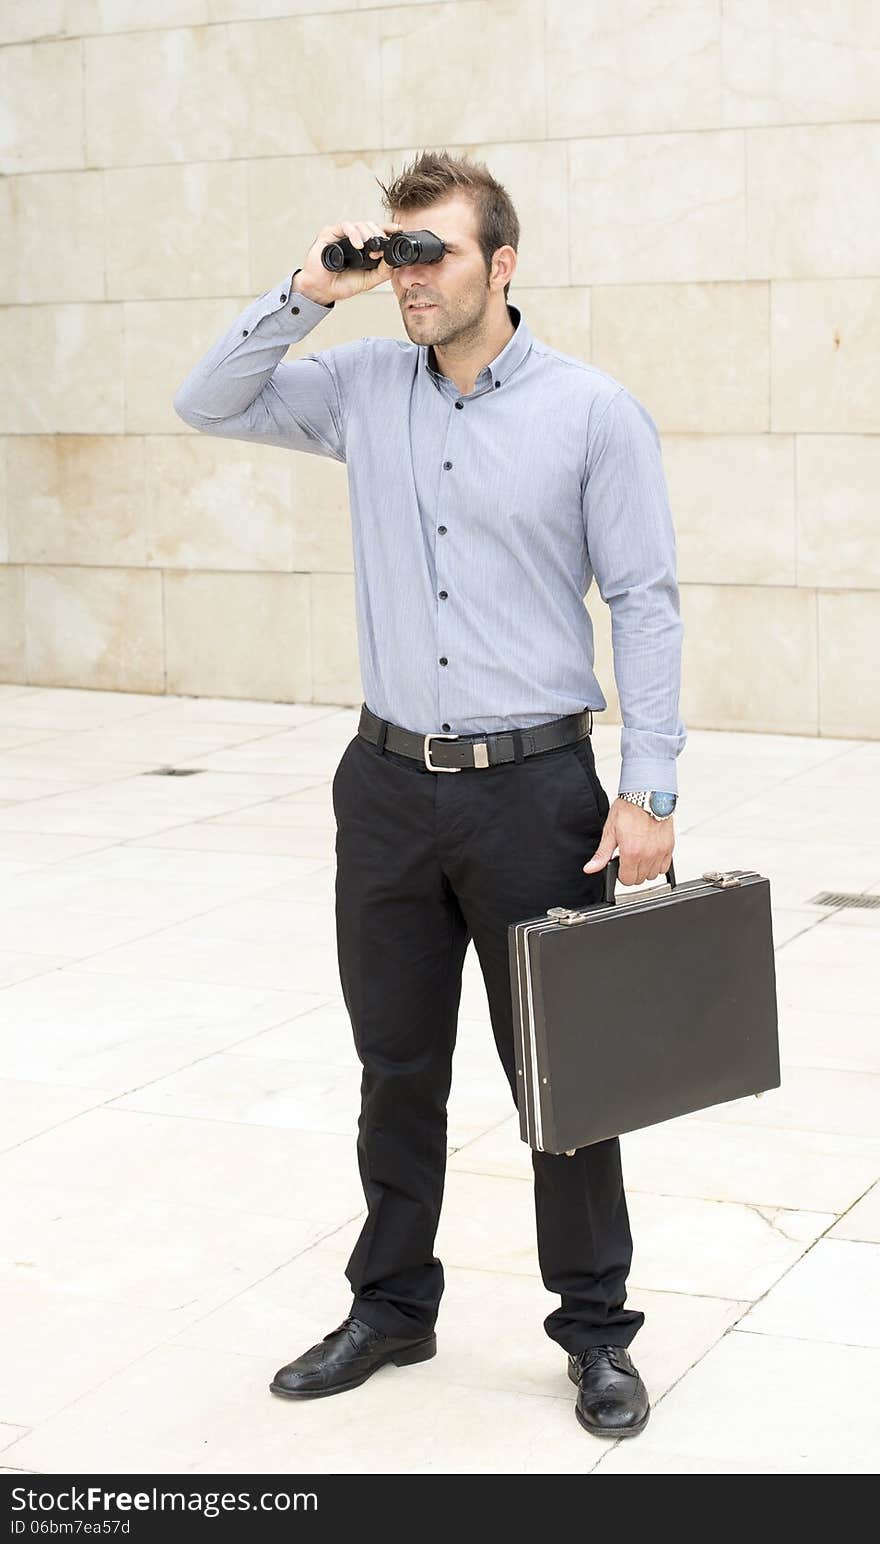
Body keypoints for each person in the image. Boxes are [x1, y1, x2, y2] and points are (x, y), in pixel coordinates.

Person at [173, 149, 687, 1440]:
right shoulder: (357, 387)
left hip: (536, 795)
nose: (407, 277)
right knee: (395, 1067)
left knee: (563, 1081)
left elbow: (645, 601)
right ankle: (393, 1304)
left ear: (501, 264)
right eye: (393, 252)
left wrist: (651, 789)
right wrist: (307, 288)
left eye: (431, 253)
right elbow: (209, 399)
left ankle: (597, 1334)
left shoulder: (590, 410)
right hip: (389, 787)